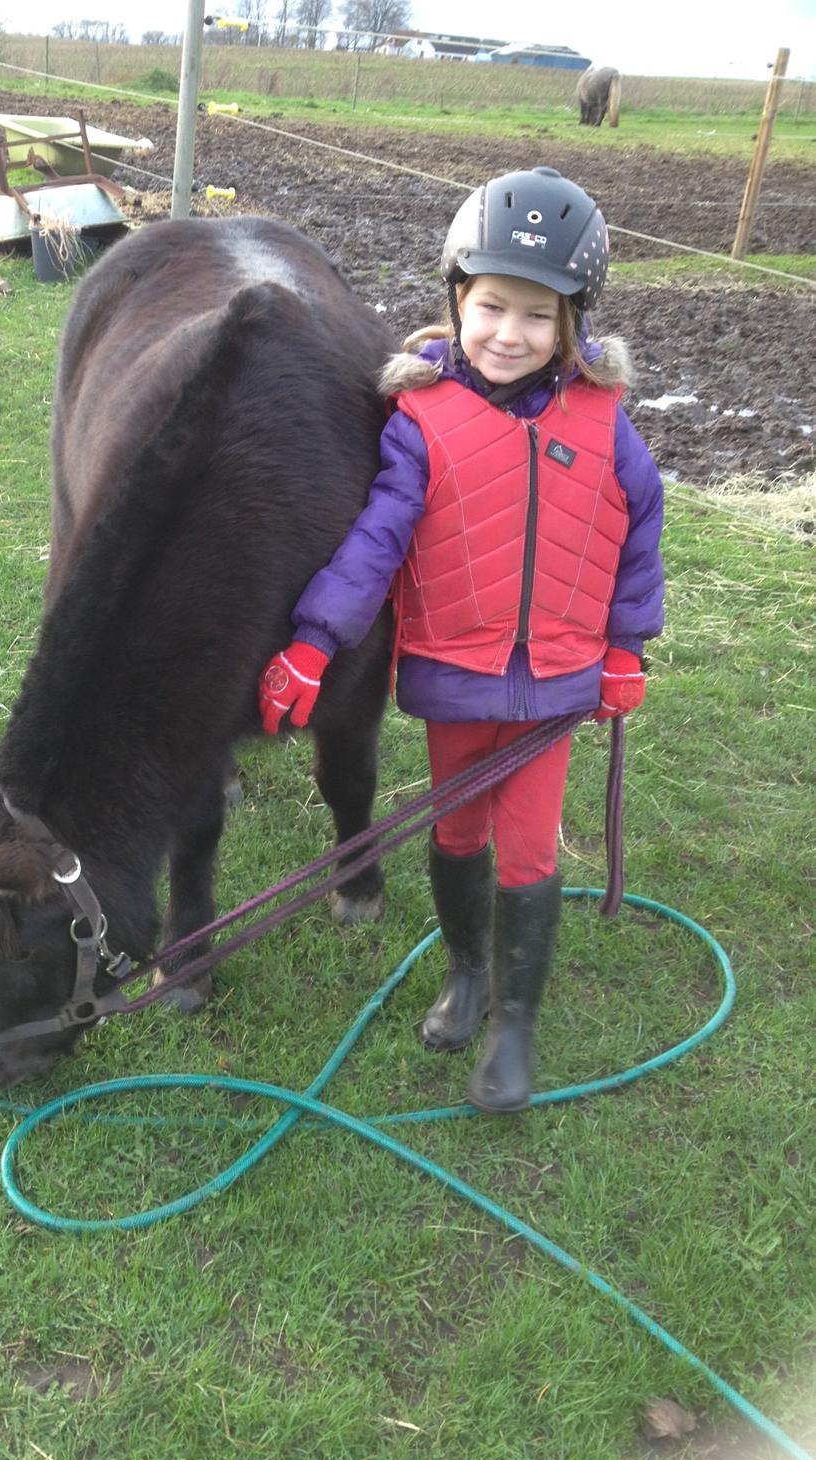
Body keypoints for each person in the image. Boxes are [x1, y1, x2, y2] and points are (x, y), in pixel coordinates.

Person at [258, 167, 665, 1114]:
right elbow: (375, 541)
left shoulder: (604, 421)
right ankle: (468, 973)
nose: (509, 334)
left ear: (572, 321)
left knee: (528, 850)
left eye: (537, 314)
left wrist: (625, 647)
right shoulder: (422, 419)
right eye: (490, 307)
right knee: (455, 832)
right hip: (456, 679)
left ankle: (515, 1023)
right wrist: (316, 639)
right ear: (456, 299)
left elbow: (636, 529)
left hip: (559, 685)